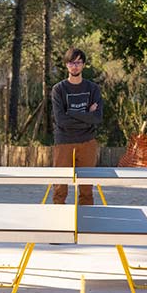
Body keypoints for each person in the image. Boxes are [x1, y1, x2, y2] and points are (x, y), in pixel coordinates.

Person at [51, 48, 103, 205]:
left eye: (78, 62)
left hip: (87, 141)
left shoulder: (93, 89)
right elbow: (61, 120)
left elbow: (97, 118)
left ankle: (87, 220)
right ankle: (58, 220)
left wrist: (71, 112)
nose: (75, 66)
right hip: (64, 141)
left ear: (83, 65)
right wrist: (87, 114)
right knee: (60, 187)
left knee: (86, 187)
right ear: (67, 65)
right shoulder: (58, 89)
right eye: (72, 63)